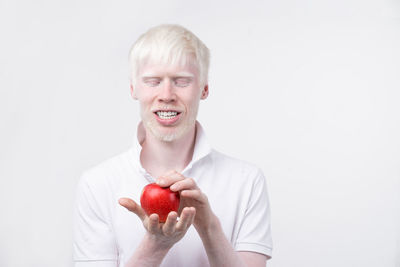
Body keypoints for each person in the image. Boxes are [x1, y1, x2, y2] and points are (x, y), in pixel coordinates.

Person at [73, 24, 273, 267]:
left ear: (204, 88)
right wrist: (156, 245)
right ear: (133, 88)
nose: (166, 94)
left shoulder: (246, 181)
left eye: (181, 81)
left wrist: (209, 227)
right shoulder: (97, 184)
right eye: (153, 81)